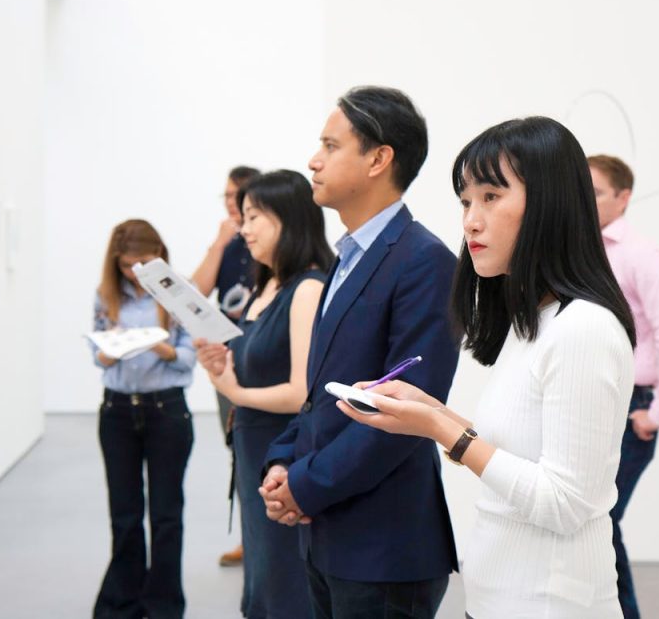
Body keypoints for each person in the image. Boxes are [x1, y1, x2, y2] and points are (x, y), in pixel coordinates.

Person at [340, 117, 637, 618]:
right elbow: (518, 454)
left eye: (491, 197)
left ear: (549, 203)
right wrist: (431, 411)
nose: (470, 221)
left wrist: (439, 428)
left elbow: (564, 504)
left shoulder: (584, 329)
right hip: (500, 598)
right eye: (465, 201)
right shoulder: (536, 322)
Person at [259, 86, 460, 619]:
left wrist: (303, 484)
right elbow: (322, 394)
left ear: (378, 158)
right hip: (331, 533)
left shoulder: (424, 262)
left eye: (330, 145)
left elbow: (404, 413)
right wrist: (284, 459)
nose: (313, 160)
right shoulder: (346, 259)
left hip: (384, 546)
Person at [196, 169, 333, 618]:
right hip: (254, 452)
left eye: (255, 217)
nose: (245, 228)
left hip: (281, 457)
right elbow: (256, 364)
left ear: (289, 220)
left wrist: (235, 391)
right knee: (261, 581)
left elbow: (301, 393)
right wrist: (222, 364)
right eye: (244, 216)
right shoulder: (267, 284)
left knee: (284, 584)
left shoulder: (308, 288)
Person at [588, 154, 659, 619]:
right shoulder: (579, 252)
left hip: (632, 406)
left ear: (623, 197)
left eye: (593, 192)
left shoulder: (641, 256)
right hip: (593, 401)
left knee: (600, 524)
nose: (583, 201)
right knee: (589, 524)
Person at [90, 219, 196, 619]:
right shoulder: (106, 294)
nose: (135, 272)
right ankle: (123, 603)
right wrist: (109, 350)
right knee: (125, 513)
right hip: (117, 411)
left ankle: (164, 605)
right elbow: (96, 352)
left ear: (160, 256)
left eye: (144, 263)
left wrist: (162, 348)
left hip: (166, 411)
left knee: (167, 515)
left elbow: (190, 356)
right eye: (127, 265)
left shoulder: (179, 293)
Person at [190, 165, 260, 567]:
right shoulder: (228, 243)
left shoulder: (268, 241)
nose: (231, 203)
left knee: (261, 447)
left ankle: (266, 539)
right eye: (227, 196)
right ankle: (250, 539)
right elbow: (197, 291)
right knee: (237, 448)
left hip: (262, 358)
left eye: (237, 195)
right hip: (226, 362)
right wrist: (217, 244)